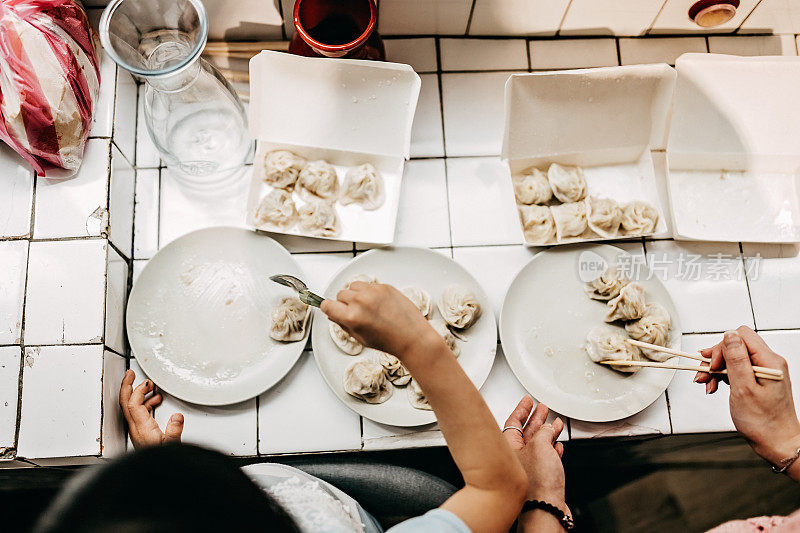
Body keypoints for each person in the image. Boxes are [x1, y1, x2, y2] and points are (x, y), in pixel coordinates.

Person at [114, 281, 571, 532]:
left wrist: (166, 471)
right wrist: (543, 502)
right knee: (426, 491)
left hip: (315, 497)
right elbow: (496, 490)